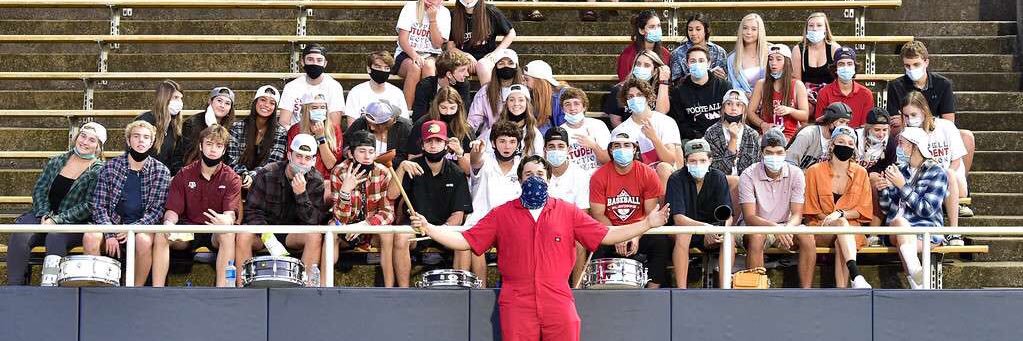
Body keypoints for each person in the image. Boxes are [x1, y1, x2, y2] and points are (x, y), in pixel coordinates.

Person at [410, 156, 671, 341]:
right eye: (528, 175)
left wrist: (647, 223)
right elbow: (465, 240)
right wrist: (430, 228)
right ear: (519, 179)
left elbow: (608, 234)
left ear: (549, 180)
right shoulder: (501, 214)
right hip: (516, 301)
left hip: (558, 298)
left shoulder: (568, 212)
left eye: (540, 175)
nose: (534, 179)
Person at [7, 122, 106, 285]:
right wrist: (45, 215)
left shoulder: (99, 170)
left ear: (98, 147)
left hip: (74, 223)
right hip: (43, 215)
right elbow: (40, 189)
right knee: (21, 231)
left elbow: (89, 205)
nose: (85, 142)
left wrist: (56, 220)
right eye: (83, 136)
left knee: (56, 236)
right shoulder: (57, 160)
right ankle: (14, 287)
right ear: (76, 137)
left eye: (92, 140)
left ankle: (51, 287)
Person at [886, 40, 975, 218]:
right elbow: (895, 123)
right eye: (907, 65)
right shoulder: (895, 86)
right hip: (909, 136)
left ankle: (957, 189)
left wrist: (924, 122)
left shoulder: (943, 84)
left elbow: (949, 120)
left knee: (965, 136)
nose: (911, 69)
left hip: (936, 132)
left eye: (916, 64)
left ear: (926, 62)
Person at [85, 120, 171, 286]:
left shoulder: (161, 171)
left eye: (146, 137)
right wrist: (110, 233)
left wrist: (132, 229)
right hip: (112, 225)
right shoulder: (110, 167)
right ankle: (96, 289)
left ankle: (134, 289)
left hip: (142, 227)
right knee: (90, 237)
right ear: (128, 140)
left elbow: (156, 211)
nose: (141, 140)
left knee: (143, 240)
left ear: (152, 142)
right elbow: (99, 205)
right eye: (136, 136)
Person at [155, 124, 240, 287]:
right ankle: (158, 290)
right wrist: (169, 223)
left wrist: (226, 220)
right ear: (201, 146)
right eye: (209, 143)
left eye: (219, 145)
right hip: (189, 231)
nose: (213, 149)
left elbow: (230, 214)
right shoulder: (184, 174)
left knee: (228, 234)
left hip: (215, 230)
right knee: (162, 233)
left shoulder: (231, 178)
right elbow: (172, 211)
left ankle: (223, 291)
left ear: (224, 150)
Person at [388, 121, 474, 282]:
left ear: (446, 144)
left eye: (438, 141)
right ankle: (404, 291)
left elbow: (458, 215)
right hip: (415, 228)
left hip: (444, 229)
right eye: (429, 141)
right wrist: (400, 168)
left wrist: (439, 230)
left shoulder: (456, 172)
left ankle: (460, 290)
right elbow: (392, 195)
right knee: (400, 237)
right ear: (422, 145)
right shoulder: (410, 167)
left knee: (463, 242)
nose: (433, 145)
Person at [237, 134, 325, 286]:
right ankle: (242, 287)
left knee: (314, 236)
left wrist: (301, 195)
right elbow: (252, 211)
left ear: (313, 161)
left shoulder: (316, 180)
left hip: (293, 234)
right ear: (289, 155)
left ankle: (305, 289)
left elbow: (313, 221)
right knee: (243, 235)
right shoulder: (267, 173)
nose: (302, 162)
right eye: (299, 156)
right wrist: (268, 237)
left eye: (307, 158)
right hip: (264, 232)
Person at [589, 132, 670, 288]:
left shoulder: (647, 173)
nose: (622, 149)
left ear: (634, 149)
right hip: (610, 230)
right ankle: (597, 289)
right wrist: (618, 236)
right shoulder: (599, 176)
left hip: (642, 230)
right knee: (595, 243)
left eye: (627, 145)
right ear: (611, 150)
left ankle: (653, 292)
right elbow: (598, 214)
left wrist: (635, 234)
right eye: (617, 145)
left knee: (661, 243)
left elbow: (650, 213)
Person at [738, 129, 815, 288]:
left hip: (785, 226)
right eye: (769, 152)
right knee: (757, 236)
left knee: (807, 236)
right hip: (755, 226)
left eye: (779, 152)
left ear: (785, 152)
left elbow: (797, 214)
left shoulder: (796, 174)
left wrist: (786, 228)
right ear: (761, 153)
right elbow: (749, 217)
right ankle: (756, 292)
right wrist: (775, 228)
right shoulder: (748, 174)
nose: (774, 157)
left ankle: (806, 291)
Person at [802, 126, 874, 288]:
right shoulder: (814, 171)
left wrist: (840, 214)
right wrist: (832, 219)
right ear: (832, 144)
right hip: (820, 228)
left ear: (854, 148)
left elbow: (863, 210)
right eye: (840, 141)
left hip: (851, 231)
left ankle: (843, 291)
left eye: (850, 143)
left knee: (843, 233)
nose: (845, 146)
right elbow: (811, 210)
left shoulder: (861, 173)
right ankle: (856, 276)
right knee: (842, 225)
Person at [878, 127, 949, 289]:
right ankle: (918, 275)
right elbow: (887, 209)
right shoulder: (900, 170)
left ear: (914, 146)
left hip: (925, 232)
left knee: (901, 228)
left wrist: (902, 186)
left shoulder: (937, 172)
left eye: (901, 143)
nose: (898, 148)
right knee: (899, 223)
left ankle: (917, 284)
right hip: (896, 230)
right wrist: (883, 191)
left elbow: (927, 210)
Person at [900, 91, 969, 243]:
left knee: (948, 174)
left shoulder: (945, 127)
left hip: (951, 179)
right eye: (905, 116)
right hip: (921, 181)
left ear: (924, 111)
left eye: (913, 114)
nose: (909, 119)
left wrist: (938, 173)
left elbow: (956, 161)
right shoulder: (906, 134)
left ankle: (954, 231)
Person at [331, 131, 398, 286]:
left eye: (371, 151)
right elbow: (340, 218)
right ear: (350, 153)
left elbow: (388, 213)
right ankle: (324, 286)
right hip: (347, 228)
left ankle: (390, 289)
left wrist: (365, 225)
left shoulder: (382, 172)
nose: (367, 156)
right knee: (332, 232)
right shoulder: (339, 172)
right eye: (362, 151)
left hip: (371, 228)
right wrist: (345, 192)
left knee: (387, 234)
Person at [664, 139, 733, 288]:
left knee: (729, 237)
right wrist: (706, 228)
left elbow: (728, 215)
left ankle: (725, 289)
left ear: (710, 160)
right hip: (683, 230)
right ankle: (681, 290)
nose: (698, 164)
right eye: (693, 161)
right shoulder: (676, 179)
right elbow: (678, 219)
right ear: (685, 161)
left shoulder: (718, 177)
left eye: (702, 160)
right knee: (684, 234)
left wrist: (719, 231)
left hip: (712, 231)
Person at [465, 120, 526, 286]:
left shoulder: (524, 166)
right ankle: (481, 291)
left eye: (512, 142)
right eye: (502, 141)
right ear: (493, 143)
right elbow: (475, 161)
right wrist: (476, 151)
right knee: (476, 246)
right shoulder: (485, 161)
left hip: (513, 223)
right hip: (481, 221)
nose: (507, 146)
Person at [705, 90, 761, 205]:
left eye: (738, 104)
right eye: (729, 104)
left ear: (744, 109)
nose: (733, 108)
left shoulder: (752, 134)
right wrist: (733, 140)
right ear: (723, 108)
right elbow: (717, 171)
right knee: (735, 181)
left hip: (747, 186)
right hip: (719, 184)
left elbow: (753, 168)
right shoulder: (712, 133)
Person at [227, 85, 288, 193]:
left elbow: (273, 163)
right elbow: (232, 158)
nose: (266, 105)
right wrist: (244, 176)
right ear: (255, 102)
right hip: (238, 179)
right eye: (263, 100)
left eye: (272, 103)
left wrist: (253, 176)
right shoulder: (237, 127)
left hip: (266, 182)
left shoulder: (280, 132)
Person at [609, 78, 681, 169]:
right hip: (638, 175)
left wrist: (654, 138)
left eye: (639, 95)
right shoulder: (620, 130)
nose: (635, 99)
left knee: (664, 167)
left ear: (647, 97)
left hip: (663, 174)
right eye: (630, 97)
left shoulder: (666, 122)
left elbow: (670, 160)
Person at [669, 45, 734, 140]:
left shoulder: (724, 87)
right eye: (693, 61)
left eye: (701, 60)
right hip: (693, 140)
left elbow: (731, 115)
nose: (697, 64)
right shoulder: (678, 92)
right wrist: (697, 136)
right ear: (687, 64)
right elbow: (679, 123)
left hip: (723, 136)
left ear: (709, 63)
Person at [395, 0, 451, 110]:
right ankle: (408, 112)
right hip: (407, 53)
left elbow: (437, 44)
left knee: (429, 65)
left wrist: (432, 19)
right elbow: (402, 40)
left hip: (432, 54)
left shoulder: (444, 13)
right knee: (414, 67)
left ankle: (428, 111)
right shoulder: (410, 7)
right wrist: (415, 56)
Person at [406, 86, 476, 174]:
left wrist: (459, 153)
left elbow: (469, 171)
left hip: (455, 178)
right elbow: (412, 160)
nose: (448, 112)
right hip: (427, 177)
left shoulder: (466, 129)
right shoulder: (422, 124)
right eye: (443, 108)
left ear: (459, 108)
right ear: (436, 106)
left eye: (452, 108)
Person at [746, 44, 810, 139]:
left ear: (787, 62)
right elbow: (750, 112)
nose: (773, 63)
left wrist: (790, 110)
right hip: (767, 134)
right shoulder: (761, 84)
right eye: (771, 59)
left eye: (779, 59)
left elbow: (805, 115)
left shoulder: (797, 85)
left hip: (790, 136)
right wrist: (763, 124)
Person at [447, 0, 515, 84]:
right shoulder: (453, 15)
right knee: (455, 69)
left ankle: (487, 96)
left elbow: (511, 33)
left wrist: (495, 53)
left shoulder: (490, 11)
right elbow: (450, 47)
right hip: (463, 59)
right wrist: (465, 55)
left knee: (483, 65)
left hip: (487, 58)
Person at [279, 44, 345, 127]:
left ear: (325, 63)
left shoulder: (334, 86)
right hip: (297, 135)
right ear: (302, 62)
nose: (315, 63)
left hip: (325, 134)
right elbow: (284, 122)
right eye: (310, 59)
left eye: (319, 60)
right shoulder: (291, 87)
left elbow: (334, 124)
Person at [287, 92, 344, 187]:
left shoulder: (334, 129)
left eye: (322, 107)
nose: (319, 110)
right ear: (306, 110)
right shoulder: (295, 130)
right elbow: (291, 161)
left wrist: (321, 137)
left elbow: (330, 165)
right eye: (314, 108)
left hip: (325, 181)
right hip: (300, 177)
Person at [604, 50, 671, 127]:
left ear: (655, 70)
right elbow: (615, 120)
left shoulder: (661, 89)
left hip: (655, 133)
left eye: (646, 65)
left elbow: (661, 113)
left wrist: (664, 81)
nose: (641, 68)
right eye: (638, 64)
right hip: (628, 134)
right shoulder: (619, 89)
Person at [790, 12, 842, 111]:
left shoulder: (834, 49)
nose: (814, 29)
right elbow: (796, 81)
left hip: (830, 95)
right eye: (811, 26)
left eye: (819, 25)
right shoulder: (798, 50)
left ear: (825, 29)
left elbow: (839, 80)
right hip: (806, 95)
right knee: (804, 109)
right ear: (806, 29)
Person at [343, 51, 410, 127]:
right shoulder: (356, 92)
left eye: (386, 68)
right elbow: (352, 126)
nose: (382, 71)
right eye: (378, 67)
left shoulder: (397, 93)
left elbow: (404, 124)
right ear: (369, 69)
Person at [177, 87, 236, 170]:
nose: (222, 105)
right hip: (192, 171)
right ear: (210, 101)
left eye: (227, 103)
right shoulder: (191, 123)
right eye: (219, 101)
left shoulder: (232, 127)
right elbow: (180, 154)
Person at [477, 84, 544, 157]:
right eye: (511, 100)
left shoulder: (535, 133)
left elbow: (539, 160)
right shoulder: (493, 131)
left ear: (527, 104)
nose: (516, 104)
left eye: (521, 100)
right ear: (506, 104)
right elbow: (487, 158)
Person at [813, 47, 874, 126]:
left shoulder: (866, 94)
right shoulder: (824, 93)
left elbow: (865, 126)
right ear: (835, 68)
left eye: (849, 64)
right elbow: (821, 124)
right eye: (841, 64)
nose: (846, 67)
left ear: (855, 67)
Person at [344, 100, 414, 169]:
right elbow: (346, 143)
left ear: (386, 123)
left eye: (376, 125)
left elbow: (406, 155)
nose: (371, 127)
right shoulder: (361, 122)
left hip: (396, 170)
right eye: (369, 123)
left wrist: (382, 161)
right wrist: (349, 153)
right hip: (362, 168)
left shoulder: (404, 127)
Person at [135, 80, 184, 174]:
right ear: (164, 98)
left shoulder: (175, 125)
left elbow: (176, 158)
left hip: (166, 178)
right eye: (176, 97)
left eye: (181, 98)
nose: (180, 102)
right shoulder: (145, 121)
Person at [411, 49, 474, 122]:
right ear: (449, 74)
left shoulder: (463, 85)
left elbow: (463, 115)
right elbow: (418, 117)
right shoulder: (425, 85)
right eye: (462, 70)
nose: (467, 74)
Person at [468, 48, 522, 132]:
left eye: (510, 63)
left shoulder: (524, 91)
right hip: (491, 137)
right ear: (495, 67)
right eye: (501, 63)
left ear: (516, 67)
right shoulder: (485, 92)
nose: (506, 66)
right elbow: (473, 121)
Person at [559, 87, 610, 174]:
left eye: (576, 104)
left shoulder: (598, 125)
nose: (572, 108)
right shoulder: (559, 132)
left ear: (584, 107)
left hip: (597, 178)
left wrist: (594, 146)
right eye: (567, 104)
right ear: (562, 109)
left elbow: (608, 160)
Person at [787, 102, 852, 169]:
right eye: (841, 122)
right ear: (830, 120)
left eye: (847, 123)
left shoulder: (840, 142)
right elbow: (790, 163)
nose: (844, 126)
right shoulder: (808, 134)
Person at [669, 13, 728, 82]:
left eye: (698, 29)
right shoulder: (678, 53)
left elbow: (726, 79)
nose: (693, 33)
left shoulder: (719, 52)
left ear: (706, 30)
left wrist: (723, 77)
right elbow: (675, 82)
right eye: (690, 30)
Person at [616, 10, 670, 83]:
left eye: (659, 26)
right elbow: (624, 81)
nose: (656, 30)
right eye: (652, 27)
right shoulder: (627, 55)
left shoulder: (665, 54)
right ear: (641, 30)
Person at [726, 13, 768, 96]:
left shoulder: (770, 53)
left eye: (753, 29)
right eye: (745, 28)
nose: (748, 32)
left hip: (768, 99)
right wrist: (746, 95)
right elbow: (733, 86)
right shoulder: (732, 58)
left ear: (760, 31)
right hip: (743, 102)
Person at [523, 60, 567, 133]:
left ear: (539, 81)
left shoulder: (564, 96)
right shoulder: (531, 94)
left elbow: (565, 127)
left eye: (527, 80)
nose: (524, 83)